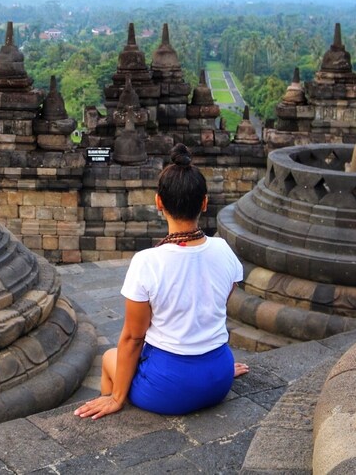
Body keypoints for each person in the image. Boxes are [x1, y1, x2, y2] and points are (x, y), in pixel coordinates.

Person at [74, 144, 249, 420]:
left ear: (158, 203)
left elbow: (133, 337)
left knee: (111, 357)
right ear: (204, 203)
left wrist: (119, 396)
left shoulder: (147, 262)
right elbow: (214, 305)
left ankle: (112, 405)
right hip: (219, 378)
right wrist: (217, 366)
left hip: (171, 389)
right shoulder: (224, 250)